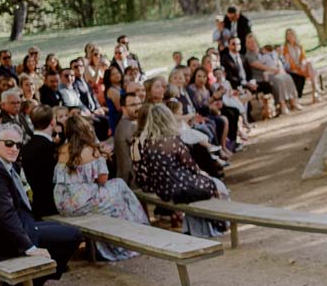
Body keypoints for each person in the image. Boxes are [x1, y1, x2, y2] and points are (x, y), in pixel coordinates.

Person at [0, 124, 79, 286]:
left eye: (18, 145)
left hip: (9, 230)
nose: (14, 149)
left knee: (69, 231)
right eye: (9, 143)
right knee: (70, 236)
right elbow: (5, 215)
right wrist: (29, 247)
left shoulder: (2, 165)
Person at [53, 116, 149, 259]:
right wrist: (102, 159)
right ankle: (141, 229)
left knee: (116, 195)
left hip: (63, 204)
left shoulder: (62, 150)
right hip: (82, 203)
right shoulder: (91, 150)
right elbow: (103, 180)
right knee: (120, 186)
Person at [132, 104, 229, 237]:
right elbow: (192, 167)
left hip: (161, 188)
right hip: (177, 188)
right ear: (168, 119)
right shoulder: (173, 141)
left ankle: (197, 227)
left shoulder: (147, 143)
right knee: (216, 185)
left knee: (206, 186)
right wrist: (203, 175)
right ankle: (217, 225)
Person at [20, 105, 59, 219]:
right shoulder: (49, 148)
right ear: (52, 122)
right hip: (52, 206)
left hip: (36, 205)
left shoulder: (27, 147)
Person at [280, 29, 321, 104]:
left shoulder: (299, 46)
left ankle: (315, 93)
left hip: (302, 68)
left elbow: (303, 57)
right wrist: (297, 67)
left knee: (309, 64)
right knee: (311, 70)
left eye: (291, 34)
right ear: (286, 37)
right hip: (293, 69)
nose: (290, 36)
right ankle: (315, 92)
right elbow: (287, 61)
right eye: (288, 34)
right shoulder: (285, 48)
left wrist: (302, 63)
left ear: (294, 35)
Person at [112, 88, 141, 182]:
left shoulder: (129, 123)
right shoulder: (128, 126)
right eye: (133, 105)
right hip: (133, 182)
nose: (138, 107)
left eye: (139, 103)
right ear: (123, 108)